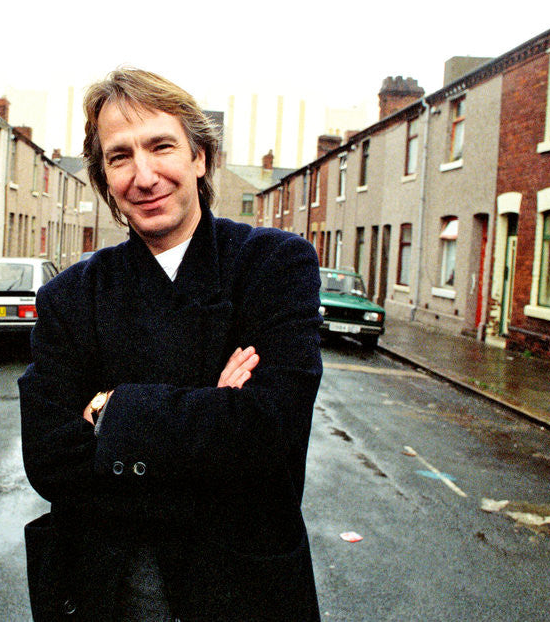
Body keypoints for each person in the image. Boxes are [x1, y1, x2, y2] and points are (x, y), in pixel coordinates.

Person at [19, 68, 323, 621]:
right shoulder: (70, 297)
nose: (144, 175)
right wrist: (215, 409)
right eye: (119, 157)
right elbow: (48, 460)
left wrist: (114, 409)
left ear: (199, 157)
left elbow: (270, 431)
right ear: (104, 177)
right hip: (108, 594)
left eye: (162, 146)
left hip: (246, 591)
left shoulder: (273, 265)